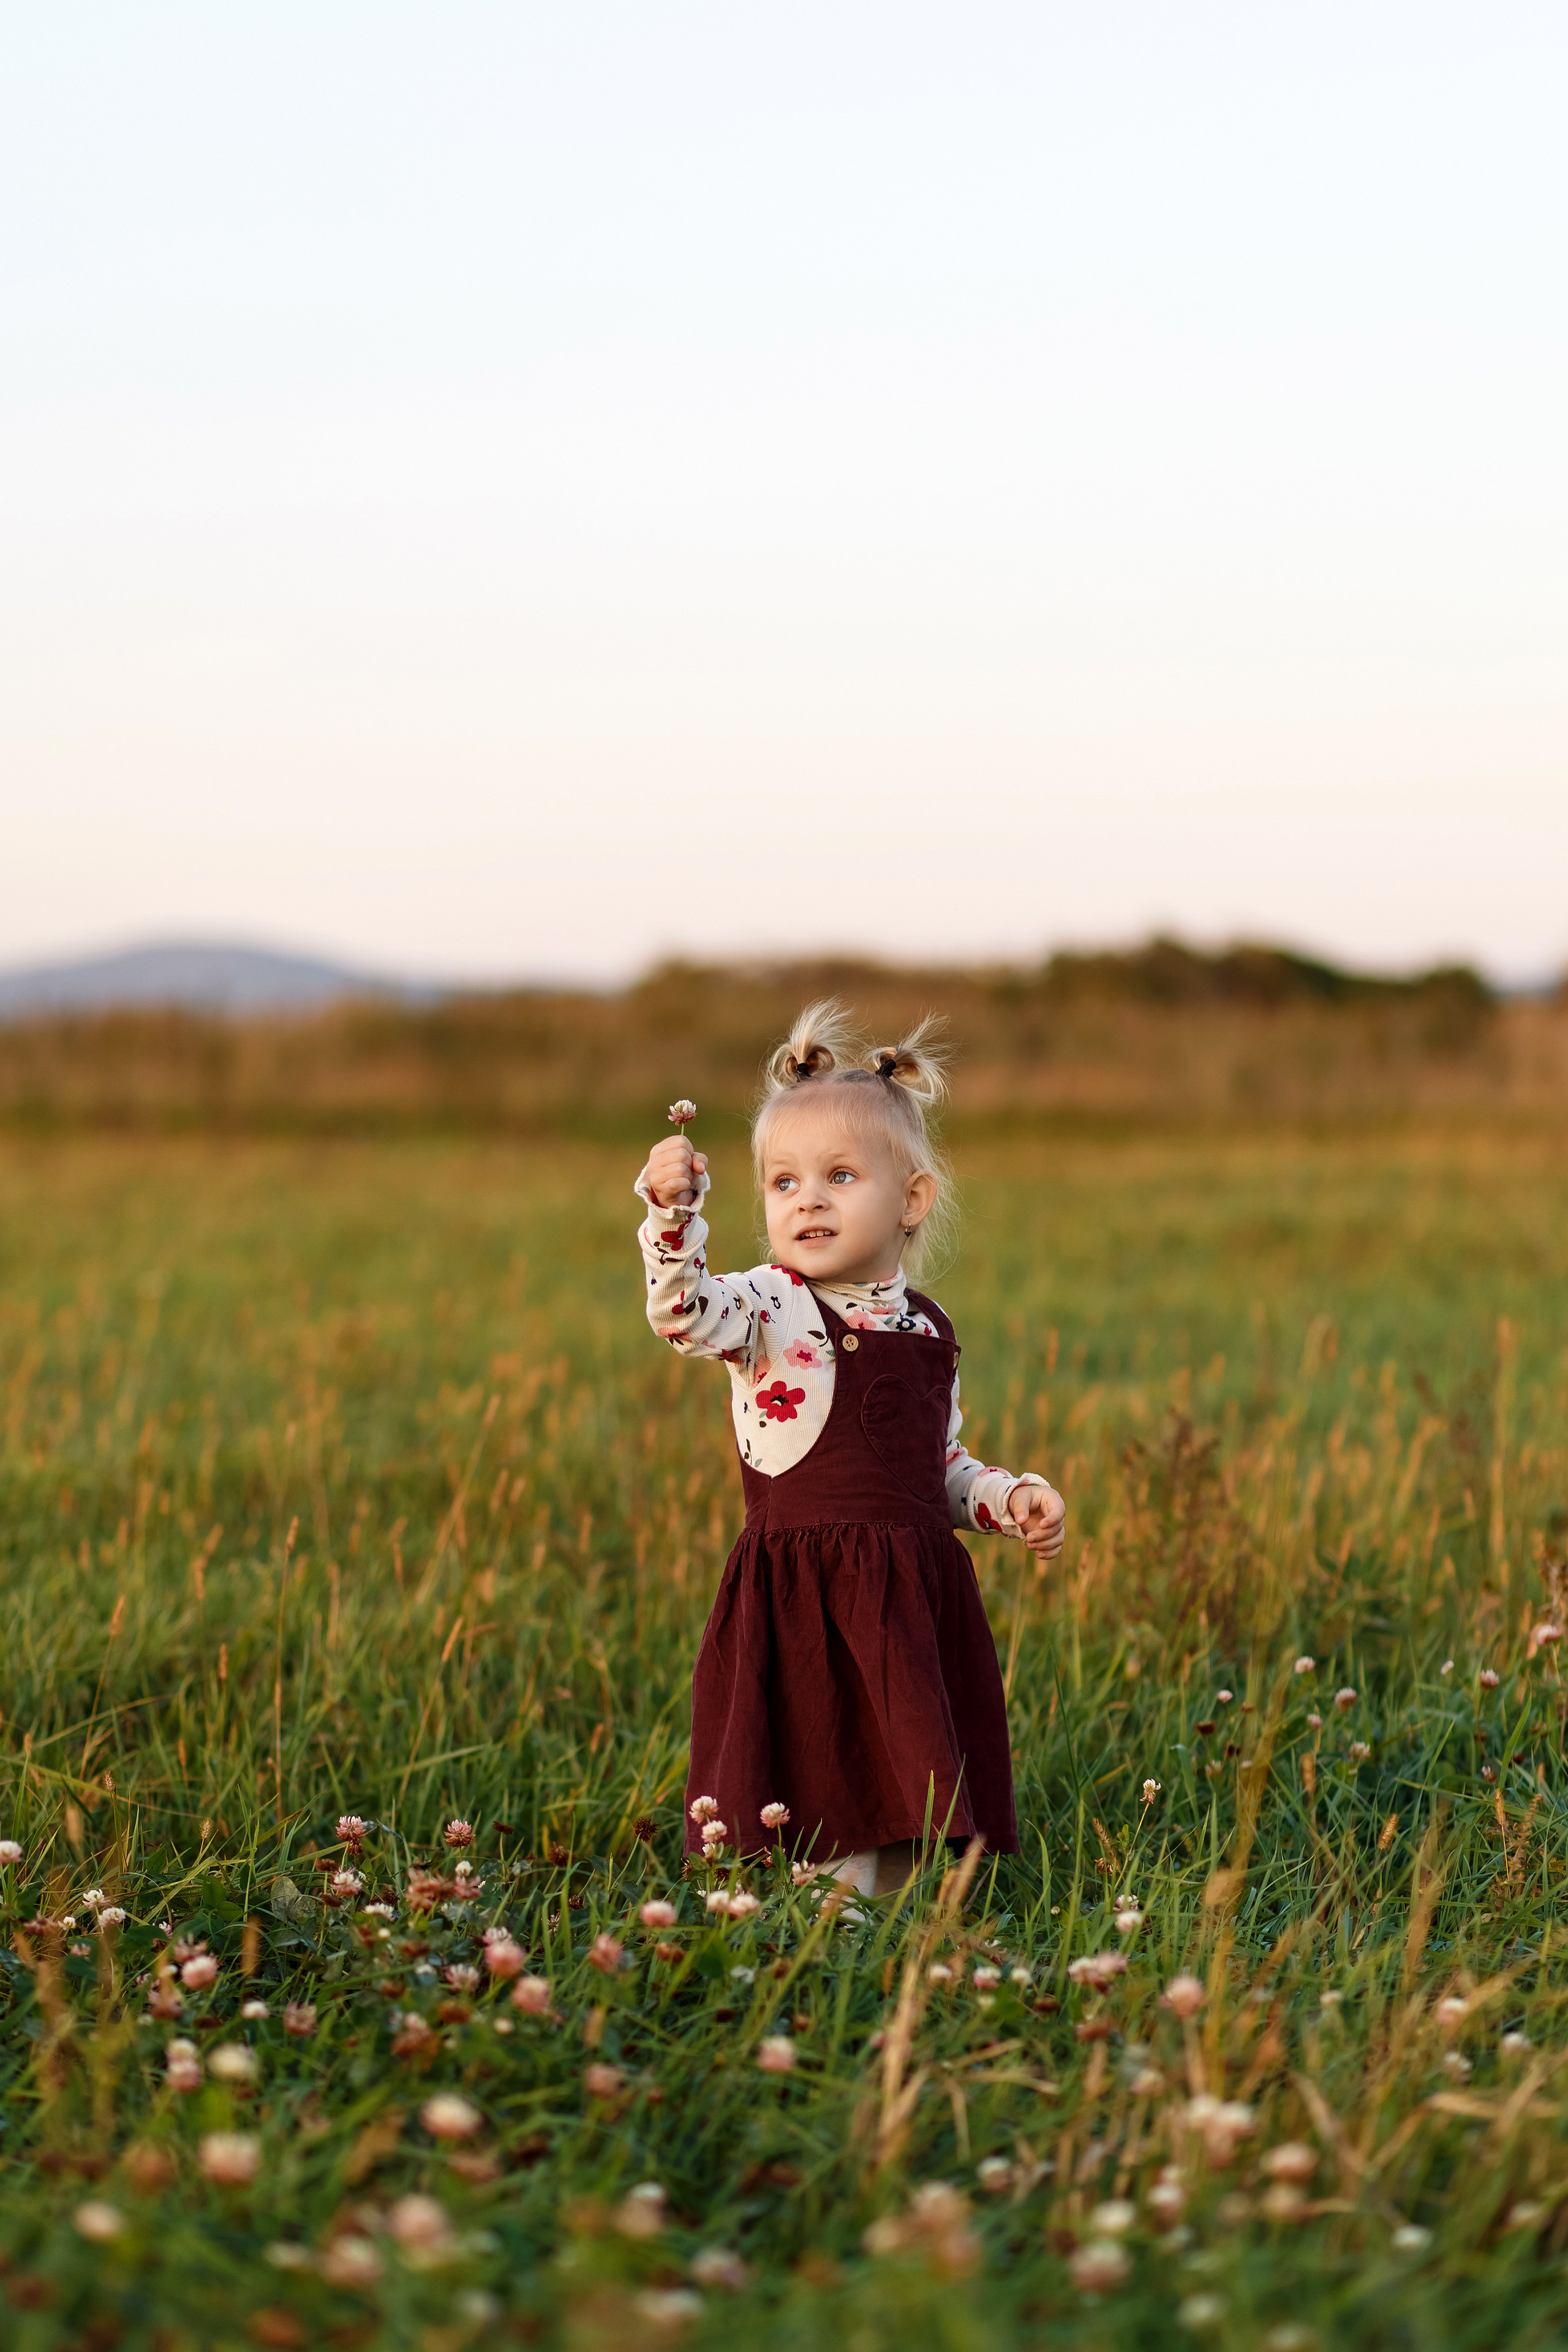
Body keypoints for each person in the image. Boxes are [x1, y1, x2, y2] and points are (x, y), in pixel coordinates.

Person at [636, 1002, 1066, 1898]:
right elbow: (682, 1313)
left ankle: (898, 1923)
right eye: (783, 1183)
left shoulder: (927, 1327)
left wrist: (1007, 1498)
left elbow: (935, 1469)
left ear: (912, 1200)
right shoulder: (765, 1306)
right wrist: (672, 1217)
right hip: (806, 1594)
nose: (809, 1200)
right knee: (822, 1769)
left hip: (909, 1599)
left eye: (839, 1176)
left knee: (906, 1779)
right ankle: (826, 1925)